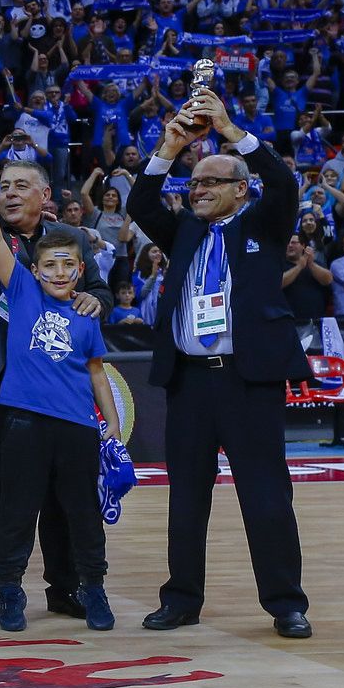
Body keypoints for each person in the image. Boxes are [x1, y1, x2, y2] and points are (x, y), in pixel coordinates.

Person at [129, 93, 311, 638]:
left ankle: (285, 603)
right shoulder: (183, 230)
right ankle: (182, 598)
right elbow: (141, 204)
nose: (199, 189)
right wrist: (168, 147)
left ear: (240, 188)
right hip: (189, 382)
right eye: (195, 183)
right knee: (186, 499)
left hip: (248, 381)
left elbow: (283, 184)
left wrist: (230, 130)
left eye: (212, 182)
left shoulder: (263, 224)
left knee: (266, 496)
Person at [0, 136, 119, 632]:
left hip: (59, 386)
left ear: (46, 195)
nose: (11, 194)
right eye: (4, 186)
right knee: (1, 491)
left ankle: (65, 588)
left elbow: (100, 287)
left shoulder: (71, 239)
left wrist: (95, 302)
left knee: (67, 495)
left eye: (23, 186)